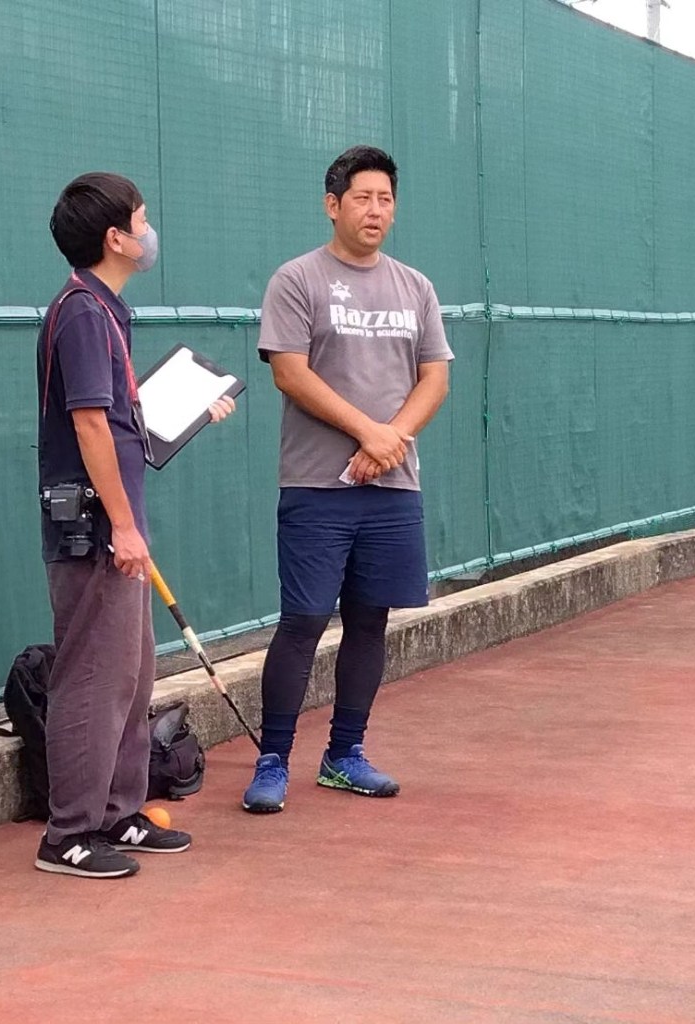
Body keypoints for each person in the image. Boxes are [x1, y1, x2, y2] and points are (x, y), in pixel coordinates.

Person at [242, 146, 453, 813]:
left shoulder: (415, 287)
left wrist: (391, 442)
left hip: (392, 486)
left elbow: (435, 377)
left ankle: (344, 754)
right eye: (362, 198)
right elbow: (289, 372)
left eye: (385, 199)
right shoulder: (297, 279)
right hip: (316, 486)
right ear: (332, 205)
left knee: (370, 620)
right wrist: (369, 431)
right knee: (304, 619)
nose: (375, 210)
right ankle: (273, 760)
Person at [35, 172, 234, 877]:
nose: (150, 233)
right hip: (96, 533)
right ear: (116, 238)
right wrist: (121, 526)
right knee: (93, 678)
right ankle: (68, 834)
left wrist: (187, 413)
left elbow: (122, 423)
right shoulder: (82, 313)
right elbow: (90, 424)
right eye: (142, 221)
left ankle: (119, 813)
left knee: (132, 673)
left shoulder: (105, 310)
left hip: (119, 529)